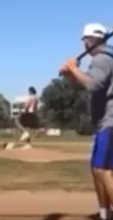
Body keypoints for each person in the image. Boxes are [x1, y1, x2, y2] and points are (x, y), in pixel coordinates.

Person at [59, 23, 113, 220]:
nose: (83, 44)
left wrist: (73, 67)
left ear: (90, 41)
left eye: (84, 40)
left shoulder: (102, 59)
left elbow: (92, 85)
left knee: (103, 169)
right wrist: (71, 74)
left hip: (110, 122)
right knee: (97, 170)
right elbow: (85, 83)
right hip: (104, 123)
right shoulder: (105, 58)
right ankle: (105, 213)